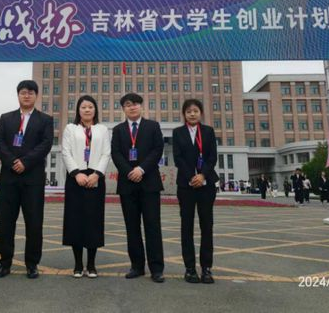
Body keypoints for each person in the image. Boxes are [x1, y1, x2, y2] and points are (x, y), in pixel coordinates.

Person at [0, 80, 54, 279]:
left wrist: (25, 162)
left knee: (34, 222)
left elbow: (46, 144)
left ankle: (32, 263)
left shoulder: (45, 120)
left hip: (33, 179)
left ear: (36, 95)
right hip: (9, 178)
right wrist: (12, 162)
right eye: (23, 92)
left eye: (30, 92)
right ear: (18, 95)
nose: (26, 95)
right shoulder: (6, 118)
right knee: (6, 222)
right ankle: (5, 263)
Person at [111, 93, 165, 283]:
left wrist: (141, 169)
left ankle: (156, 268)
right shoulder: (118, 130)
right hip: (127, 184)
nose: (132, 107)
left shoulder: (153, 126)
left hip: (149, 183)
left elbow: (157, 150)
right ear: (123, 109)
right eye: (128, 104)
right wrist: (129, 171)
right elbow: (116, 153)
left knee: (152, 226)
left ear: (141, 106)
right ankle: (137, 266)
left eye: (135, 104)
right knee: (132, 227)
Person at [61, 95, 111, 278]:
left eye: (90, 106)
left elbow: (106, 153)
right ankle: (77, 264)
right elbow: (66, 152)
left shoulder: (102, 129)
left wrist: (97, 174)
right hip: (76, 178)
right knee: (75, 221)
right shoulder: (70, 128)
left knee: (93, 221)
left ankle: (91, 264)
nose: (87, 110)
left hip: (95, 178)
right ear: (78, 110)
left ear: (95, 110)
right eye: (83, 107)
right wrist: (76, 173)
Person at [172, 99, 219, 284]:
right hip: (186, 185)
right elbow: (178, 158)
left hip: (206, 185)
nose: (192, 114)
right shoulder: (178, 132)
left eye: (196, 111)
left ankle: (206, 268)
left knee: (207, 226)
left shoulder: (208, 131)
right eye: (189, 111)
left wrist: (202, 175)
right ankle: (190, 269)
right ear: (184, 114)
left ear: (201, 113)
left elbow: (212, 157)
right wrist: (192, 176)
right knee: (187, 227)